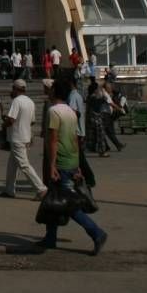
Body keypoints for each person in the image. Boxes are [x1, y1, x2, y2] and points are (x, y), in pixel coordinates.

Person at [37, 78, 108, 254]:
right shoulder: (70, 111)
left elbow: (53, 140)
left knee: (67, 204)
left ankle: (96, 232)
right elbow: (75, 140)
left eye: (51, 89)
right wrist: (77, 165)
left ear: (55, 91)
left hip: (60, 162)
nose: (49, 91)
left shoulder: (54, 111)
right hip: (71, 161)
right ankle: (50, 238)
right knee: (54, 200)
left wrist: (52, 165)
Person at [0, 79, 47, 199]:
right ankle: (9, 189)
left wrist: (3, 124)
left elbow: (11, 119)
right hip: (25, 136)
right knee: (12, 165)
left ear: (15, 89)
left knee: (24, 164)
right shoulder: (30, 101)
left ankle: (41, 189)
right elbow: (32, 121)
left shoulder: (16, 101)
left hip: (17, 137)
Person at [86, 81, 109, 157]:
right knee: (100, 136)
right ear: (95, 90)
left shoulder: (89, 97)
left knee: (90, 136)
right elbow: (104, 99)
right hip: (96, 119)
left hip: (91, 118)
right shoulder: (94, 98)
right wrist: (102, 91)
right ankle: (102, 151)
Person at [101, 81, 126, 152]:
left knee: (109, 132)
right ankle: (112, 146)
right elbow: (111, 104)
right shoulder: (105, 94)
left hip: (107, 115)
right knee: (106, 132)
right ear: (106, 88)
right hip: (105, 115)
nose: (111, 89)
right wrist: (120, 109)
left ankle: (116, 145)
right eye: (109, 88)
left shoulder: (106, 94)